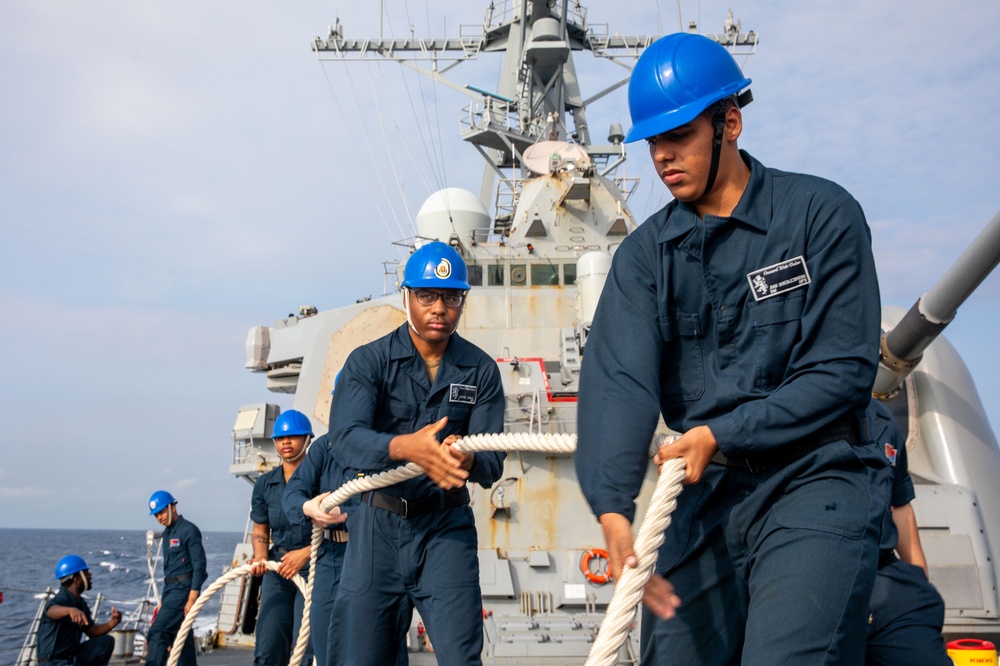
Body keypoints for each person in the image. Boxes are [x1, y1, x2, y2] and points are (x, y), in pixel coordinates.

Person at [575, 32, 890, 664]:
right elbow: (618, 382)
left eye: (680, 136)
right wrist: (612, 509)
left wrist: (723, 431)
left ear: (730, 123)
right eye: (654, 142)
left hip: (814, 481)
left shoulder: (820, 215)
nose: (663, 156)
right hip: (704, 499)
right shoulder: (643, 259)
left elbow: (842, 369)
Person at [326, 241, 506, 666]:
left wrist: (465, 460)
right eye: (427, 296)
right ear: (406, 296)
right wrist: (411, 449)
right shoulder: (368, 362)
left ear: (462, 302)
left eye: (451, 297)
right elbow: (344, 439)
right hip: (376, 531)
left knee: (462, 659)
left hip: (446, 532)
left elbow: (493, 460)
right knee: (360, 658)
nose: (439, 308)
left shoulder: (481, 371)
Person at [867, 400, 951, 665]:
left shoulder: (885, 424)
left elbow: (900, 507)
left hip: (882, 576)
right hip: (817, 575)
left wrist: (918, 576)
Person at [247, 409, 321, 666]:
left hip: (316, 567)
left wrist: (306, 553)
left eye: (294, 436)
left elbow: (339, 529)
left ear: (308, 440)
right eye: (280, 438)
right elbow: (260, 531)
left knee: (306, 649)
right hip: (278, 569)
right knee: (268, 646)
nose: (286, 442)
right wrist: (260, 558)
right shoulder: (264, 485)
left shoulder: (323, 480)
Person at [145, 490, 207, 666]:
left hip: (183, 591)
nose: (160, 517)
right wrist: (164, 601)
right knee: (182, 641)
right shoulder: (166, 535)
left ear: (173, 507)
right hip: (170, 591)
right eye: (156, 515)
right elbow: (169, 572)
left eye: (162, 512)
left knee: (157, 633)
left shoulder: (189, 530)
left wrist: (192, 598)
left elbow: (199, 566)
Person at [36, 555, 122, 666]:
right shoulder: (61, 599)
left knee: (106, 642)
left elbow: (92, 631)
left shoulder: (79, 603)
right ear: (77, 579)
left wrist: (112, 623)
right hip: (53, 662)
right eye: (86, 573)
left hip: (72, 659)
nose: (90, 575)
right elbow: (50, 611)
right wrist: (70, 611)